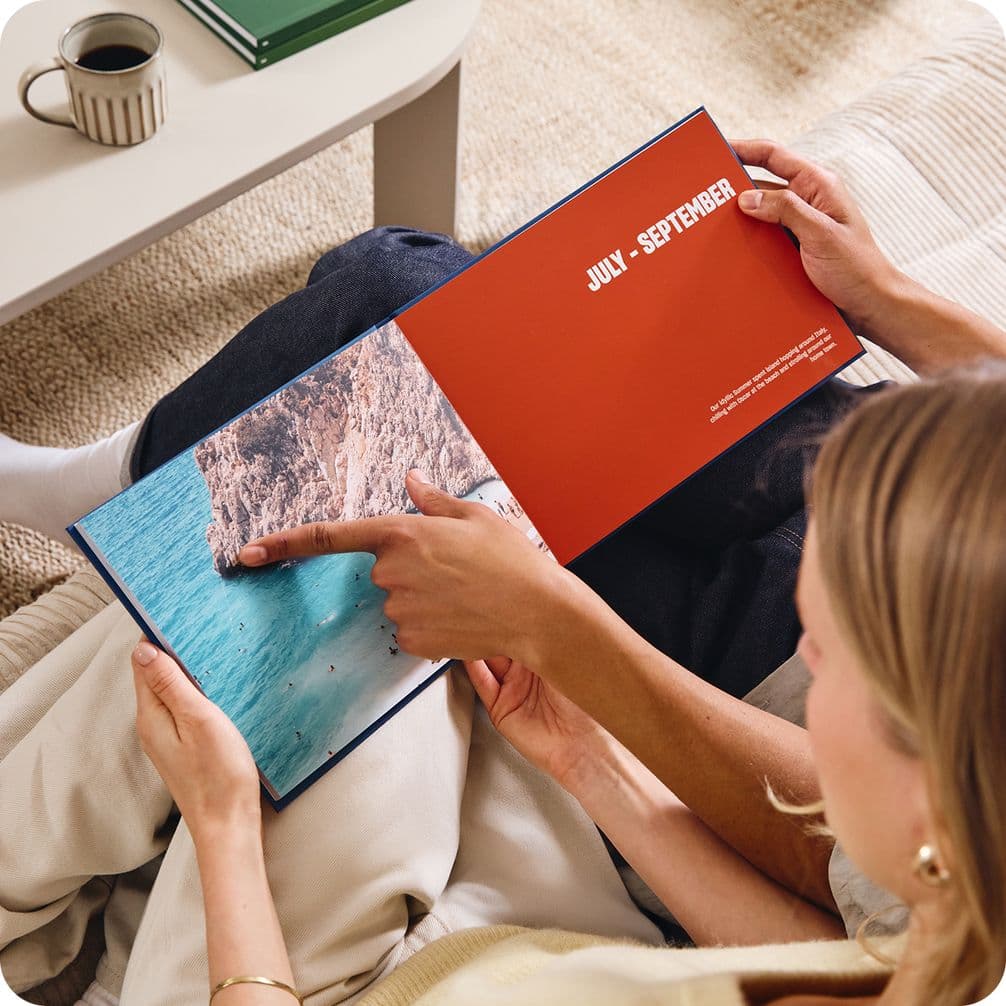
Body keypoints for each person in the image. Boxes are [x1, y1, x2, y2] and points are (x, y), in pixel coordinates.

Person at [0, 140, 1003, 1004]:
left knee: (383, 332)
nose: (819, 654)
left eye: (834, 658)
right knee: (415, 293)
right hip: (906, 540)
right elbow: (839, 957)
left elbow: (832, 896)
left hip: (750, 667)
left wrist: (225, 822)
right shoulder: (939, 910)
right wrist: (887, 298)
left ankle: (115, 489)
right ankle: (125, 485)